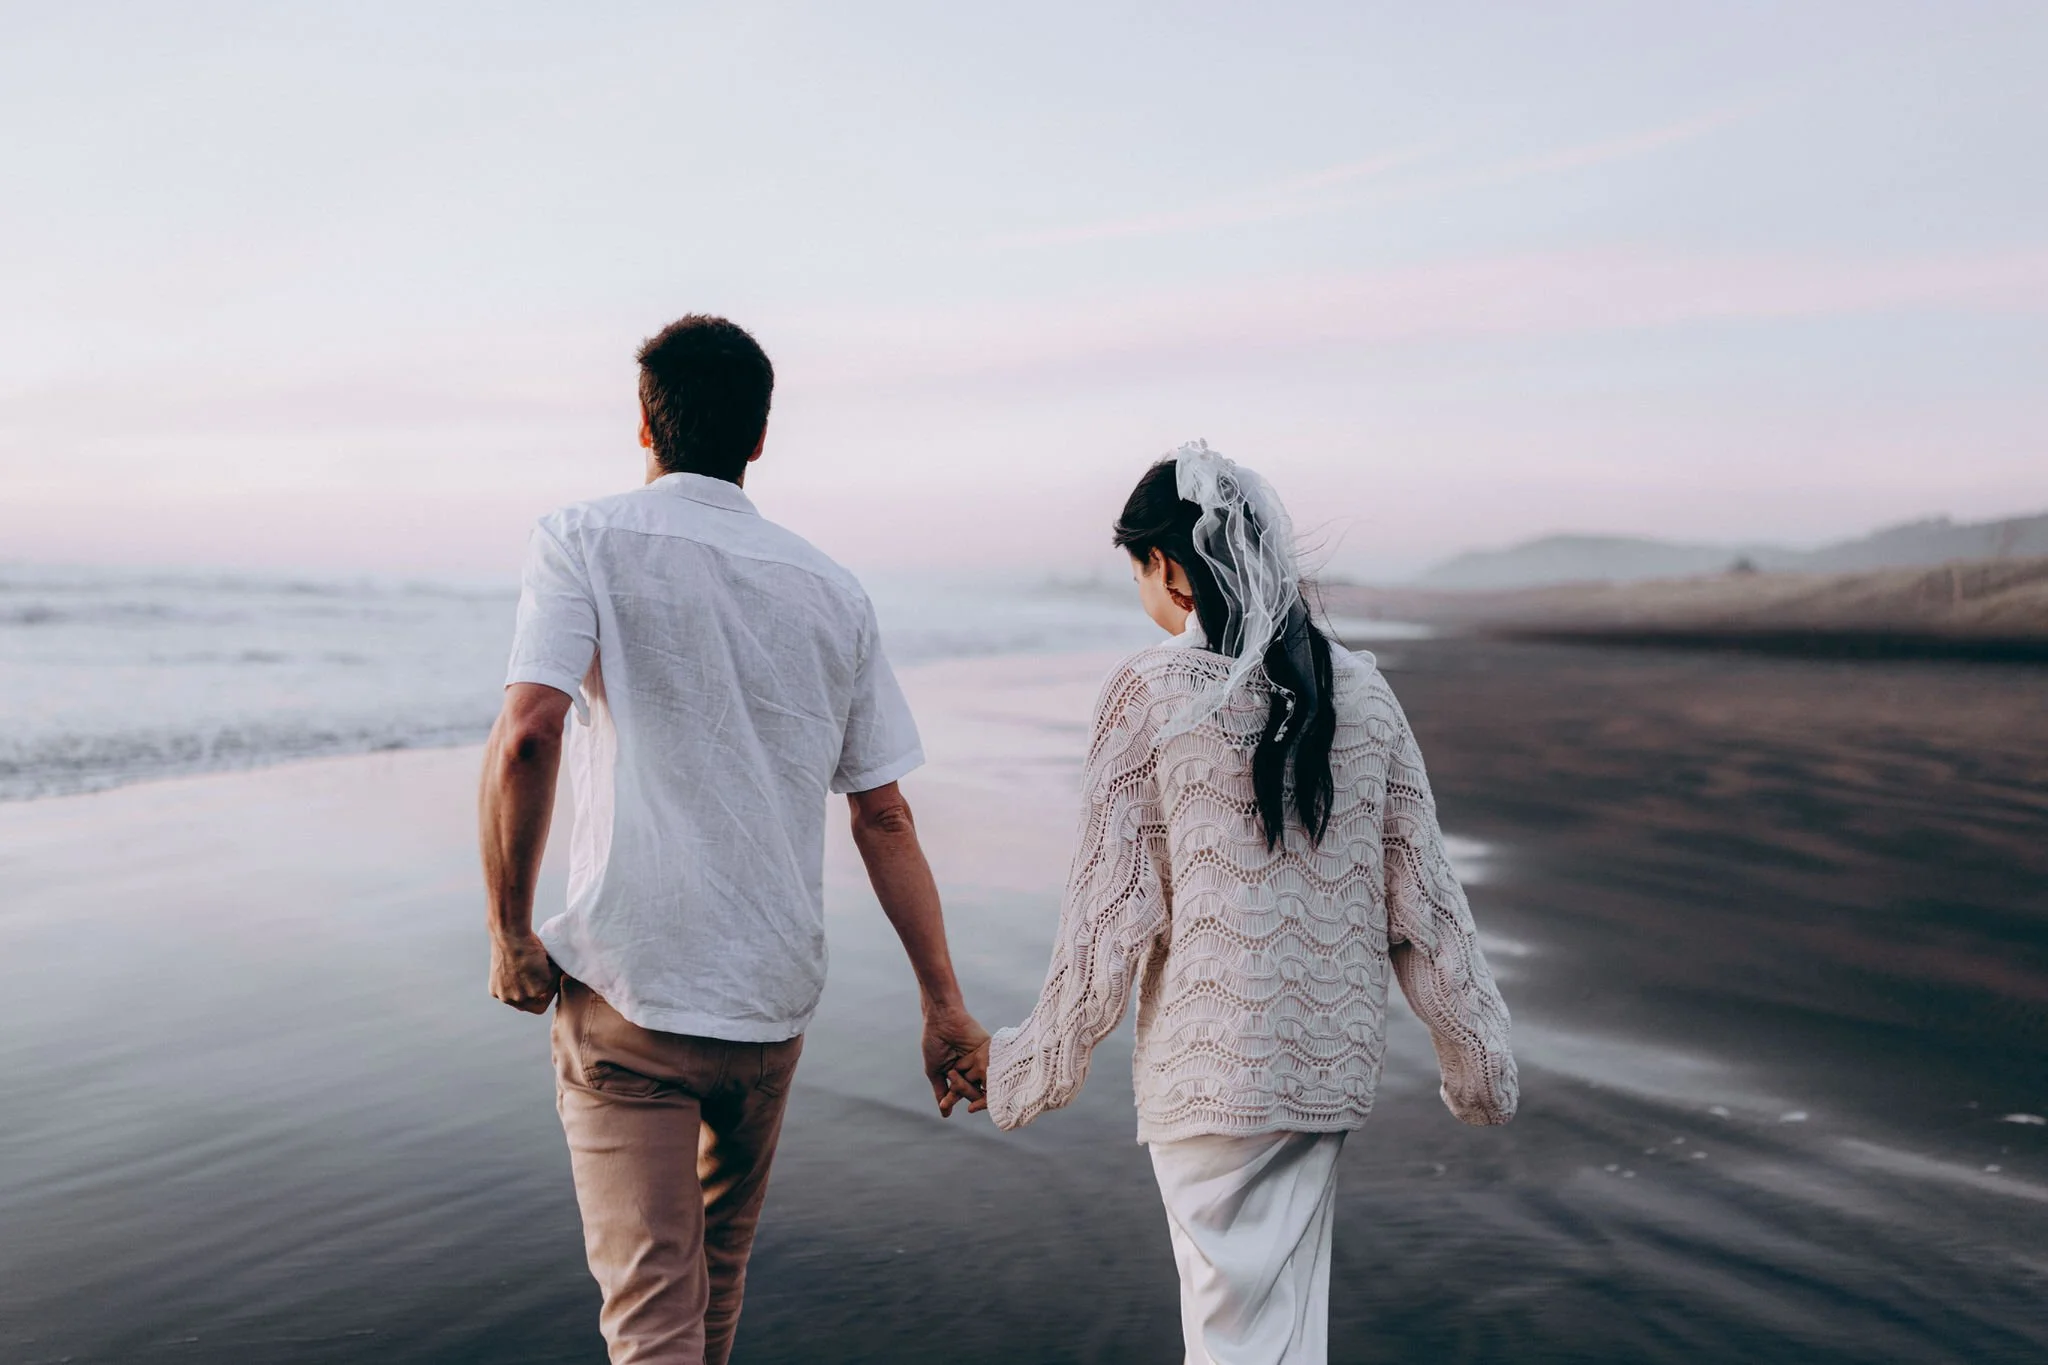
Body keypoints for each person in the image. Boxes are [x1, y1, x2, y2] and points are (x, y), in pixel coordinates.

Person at [478, 315, 989, 1365]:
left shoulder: (581, 537)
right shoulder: (832, 591)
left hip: (633, 989)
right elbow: (882, 812)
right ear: (759, 438)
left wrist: (509, 931)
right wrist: (942, 1004)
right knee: (711, 1296)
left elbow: (530, 732)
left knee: (653, 1323)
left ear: (641, 425)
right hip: (767, 1008)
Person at [948, 443, 1519, 1365]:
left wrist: (1020, 1067)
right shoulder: (1364, 693)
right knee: (1286, 1333)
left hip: (1209, 1081)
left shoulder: (1150, 694)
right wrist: (1478, 1066)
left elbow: (1106, 924)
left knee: (1231, 1342)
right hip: (1324, 1075)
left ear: (1168, 569)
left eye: (1136, 570)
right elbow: (1428, 911)